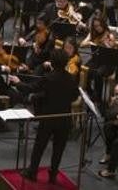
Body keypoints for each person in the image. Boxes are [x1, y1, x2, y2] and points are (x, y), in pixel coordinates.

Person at [9, 48, 79, 184]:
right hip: (64, 118)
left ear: (52, 62)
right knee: (58, 148)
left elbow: (30, 88)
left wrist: (17, 82)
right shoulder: (70, 78)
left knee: (40, 146)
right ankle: (53, 175)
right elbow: (75, 96)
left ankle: (32, 172)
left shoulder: (48, 78)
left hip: (48, 118)